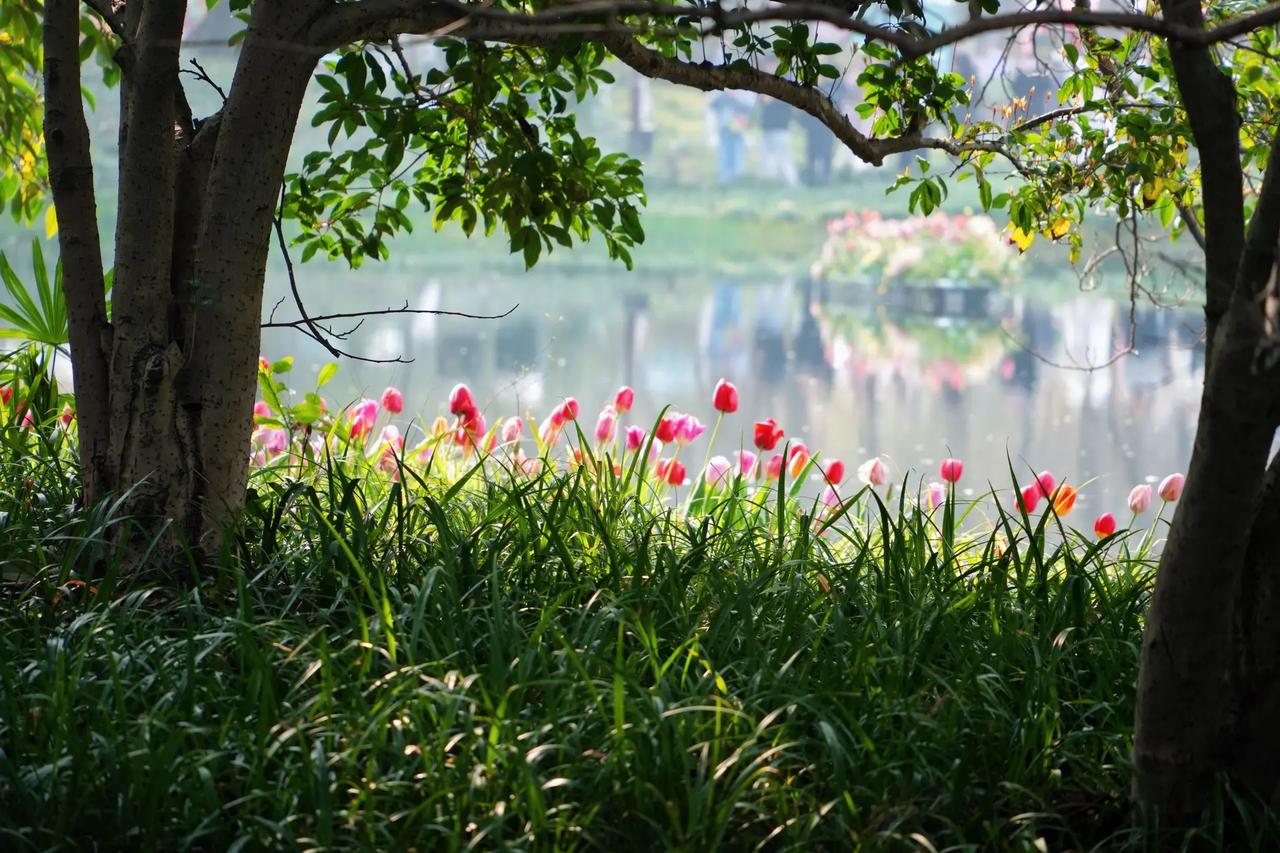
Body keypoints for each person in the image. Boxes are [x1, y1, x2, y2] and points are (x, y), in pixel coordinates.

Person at [707, 91, 755, 183]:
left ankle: (738, 176)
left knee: (738, 151)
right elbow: (713, 105)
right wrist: (727, 96)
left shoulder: (745, 93)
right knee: (724, 151)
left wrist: (737, 99)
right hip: (724, 128)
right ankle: (724, 177)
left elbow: (750, 107)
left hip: (738, 129)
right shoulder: (722, 94)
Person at [758, 97, 798, 187]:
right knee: (766, 159)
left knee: (784, 158)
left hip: (780, 130)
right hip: (767, 129)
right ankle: (769, 183)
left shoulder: (784, 94)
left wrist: (771, 99)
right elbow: (761, 101)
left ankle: (791, 183)